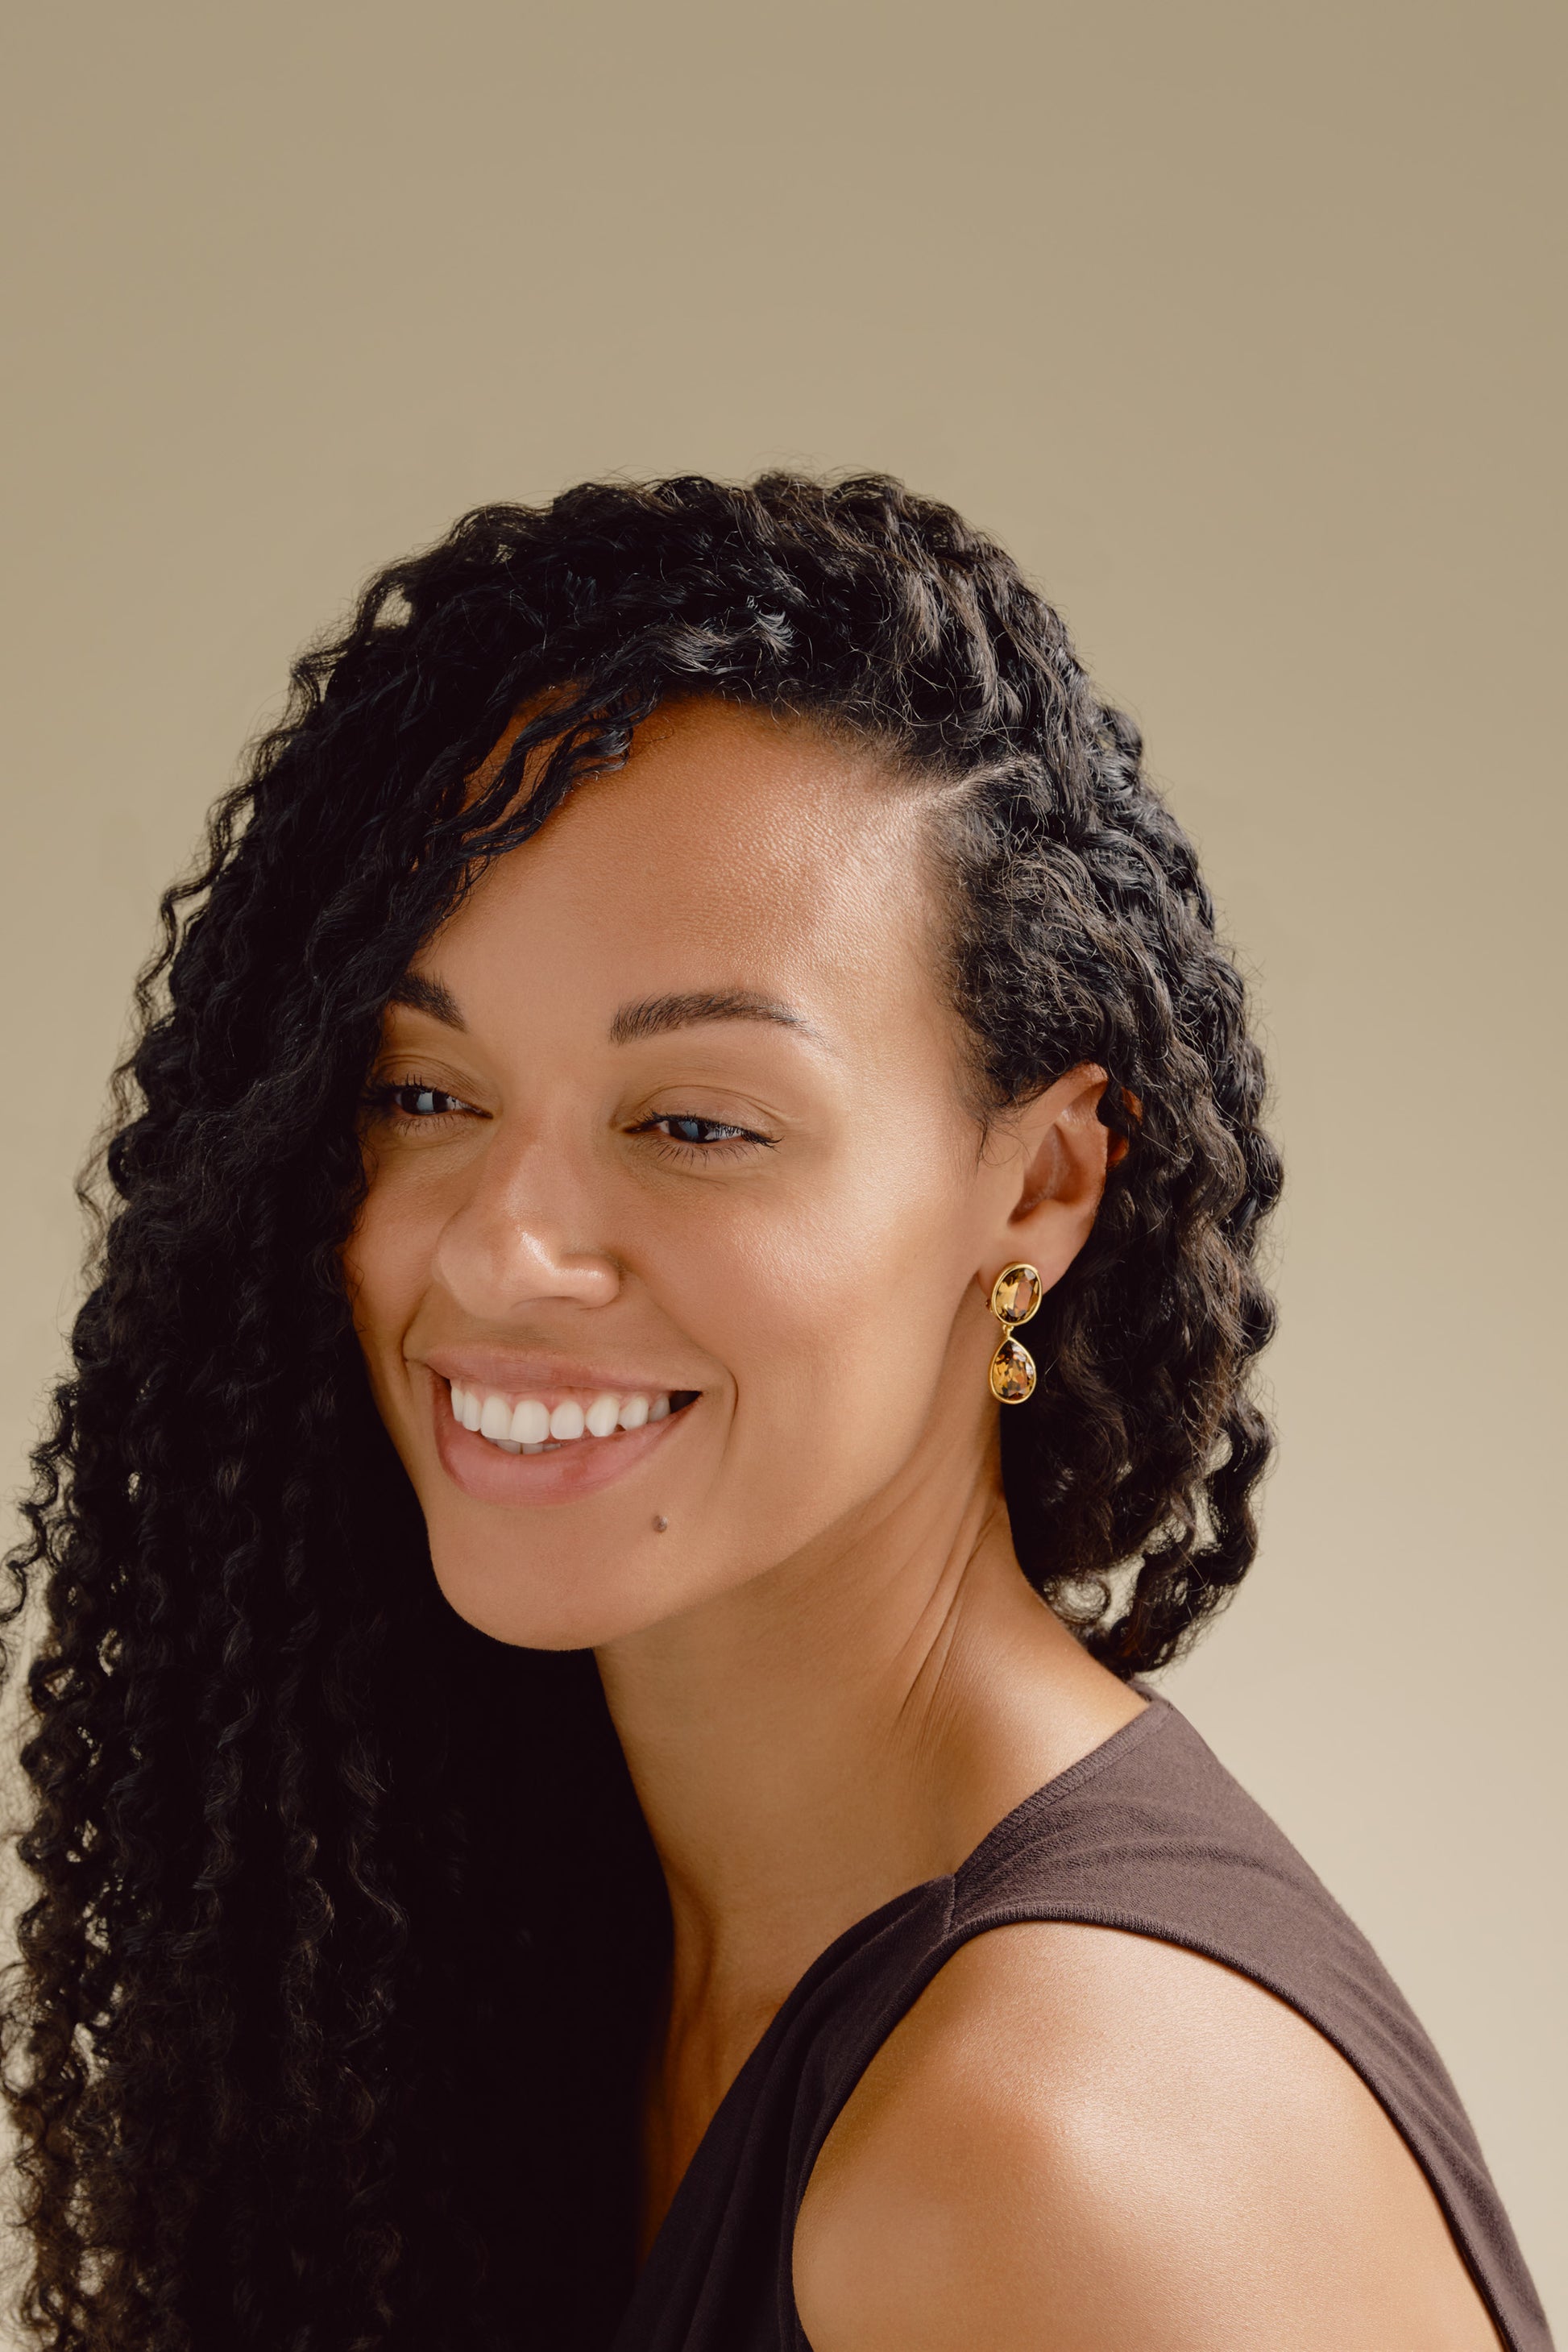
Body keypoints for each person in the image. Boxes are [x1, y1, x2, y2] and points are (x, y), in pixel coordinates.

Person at [3, 475, 1547, 2352]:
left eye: (698, 1123)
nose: (505, 1247)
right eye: (423, 1093)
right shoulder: (558, 1926)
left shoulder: (1047, 2154)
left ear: (1042, 1186)